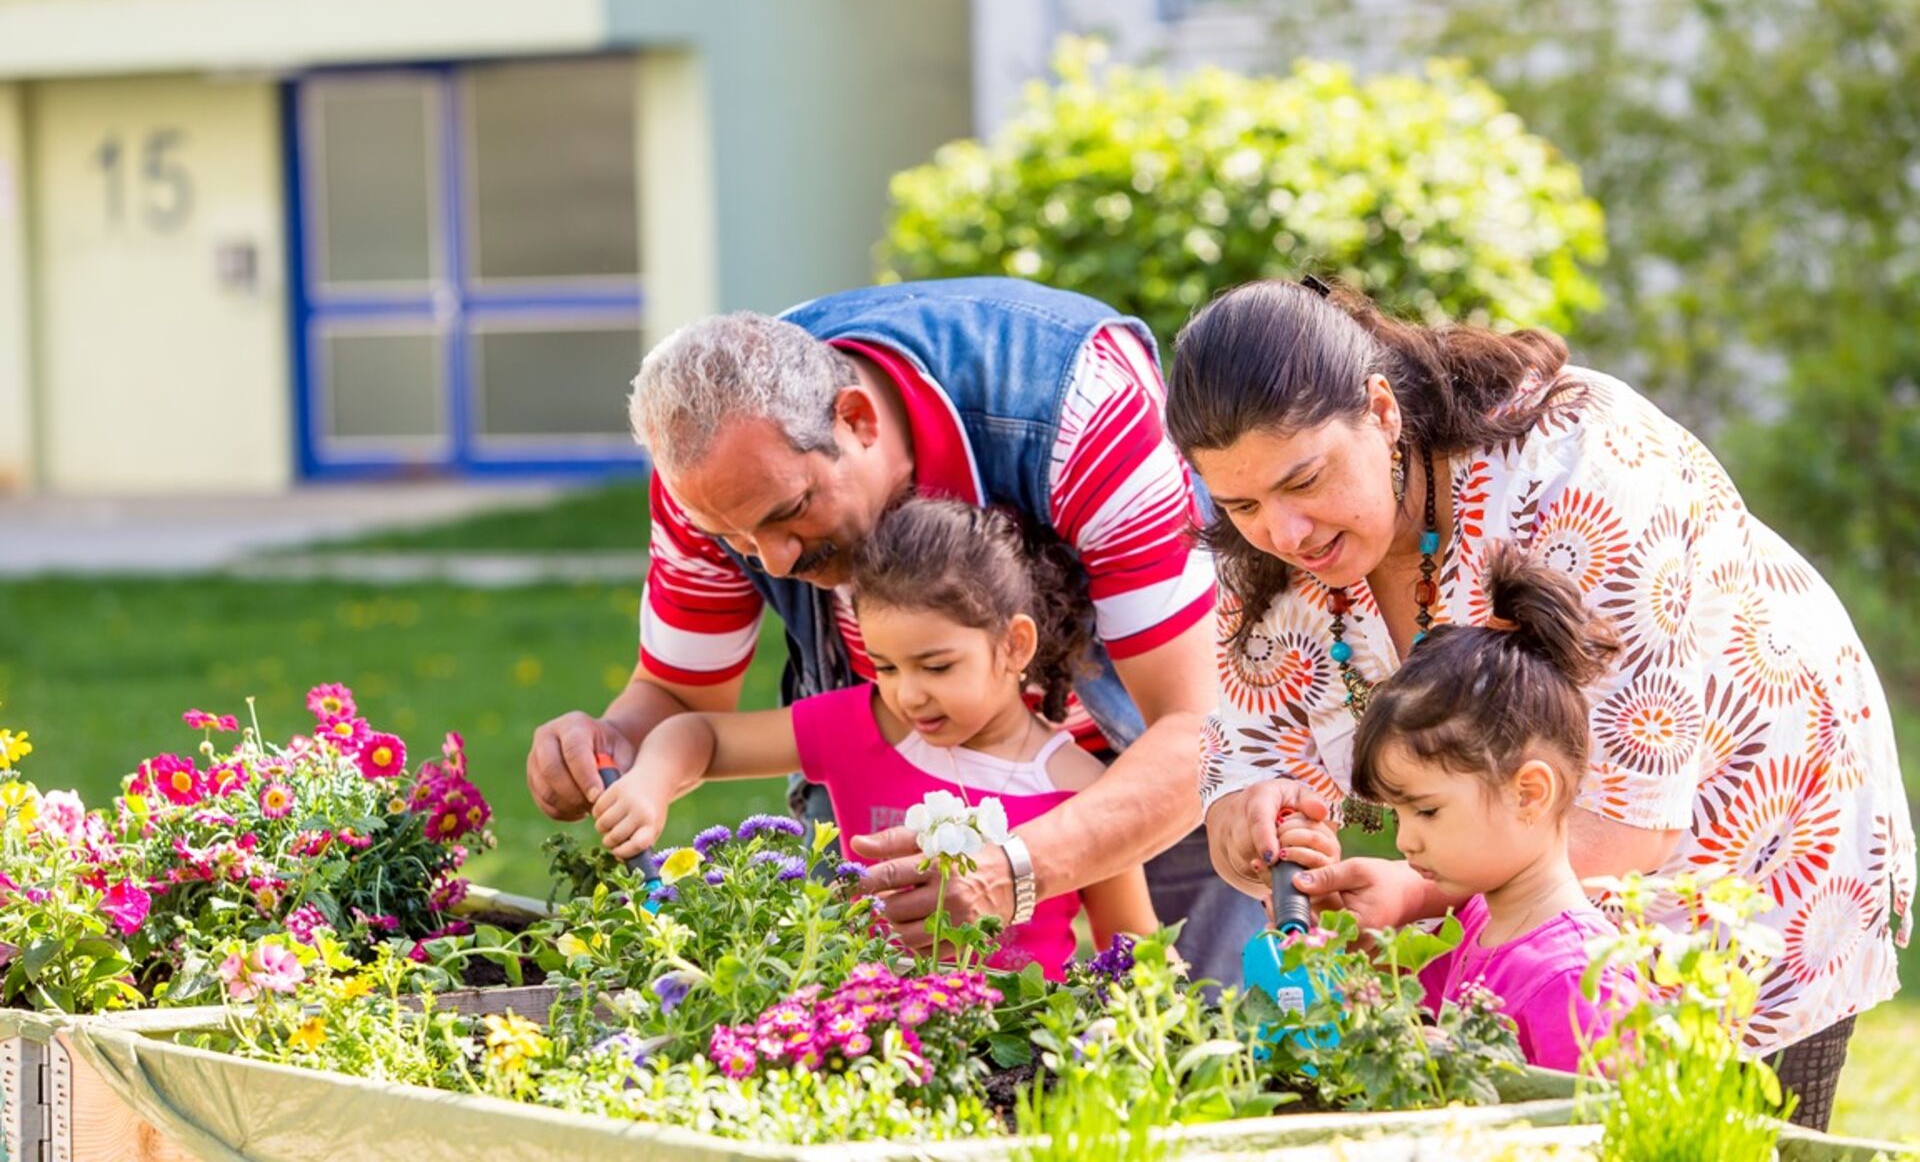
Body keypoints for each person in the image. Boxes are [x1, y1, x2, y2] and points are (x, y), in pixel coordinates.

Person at [1163, 275, 1915, 1129]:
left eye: (1306, 480)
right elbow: (1240, 758)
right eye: (1242, 502)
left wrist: (1415, 891)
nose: (1285, 533)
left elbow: (1630, 819)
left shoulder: (1584, 467)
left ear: (1379, 411)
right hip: (1506, 917)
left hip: (1752, 838)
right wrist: (1252, 822)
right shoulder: (1262, 550)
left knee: (1731, 1140)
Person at [526, 278, 1264, 986]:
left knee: (1203, 1031)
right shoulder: (714, 471)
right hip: (890, 774)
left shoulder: (1078, 405)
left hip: (1138, 760)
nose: (775, 560)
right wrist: (611, 746)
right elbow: (680, 701)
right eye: (738, 540)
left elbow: (1198, 735)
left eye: (788, 513)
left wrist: (1009, 871)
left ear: (856, 419)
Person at [593, 497, 1157, 980]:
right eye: (885, 666)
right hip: (865, 1049)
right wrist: (651, 782)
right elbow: (702, 735)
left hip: (1023, 1061)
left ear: (1014, 644)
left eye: (935, 667)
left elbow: (1135, 955)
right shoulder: (863, 728)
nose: (908, 695)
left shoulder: (1085, 791)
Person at [1348, 541, 1637, 1073]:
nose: (1404, 841)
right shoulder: (1478, 920)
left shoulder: (1579, 981)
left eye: (1426, 811)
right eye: (1398, 816)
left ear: (1528, 792)